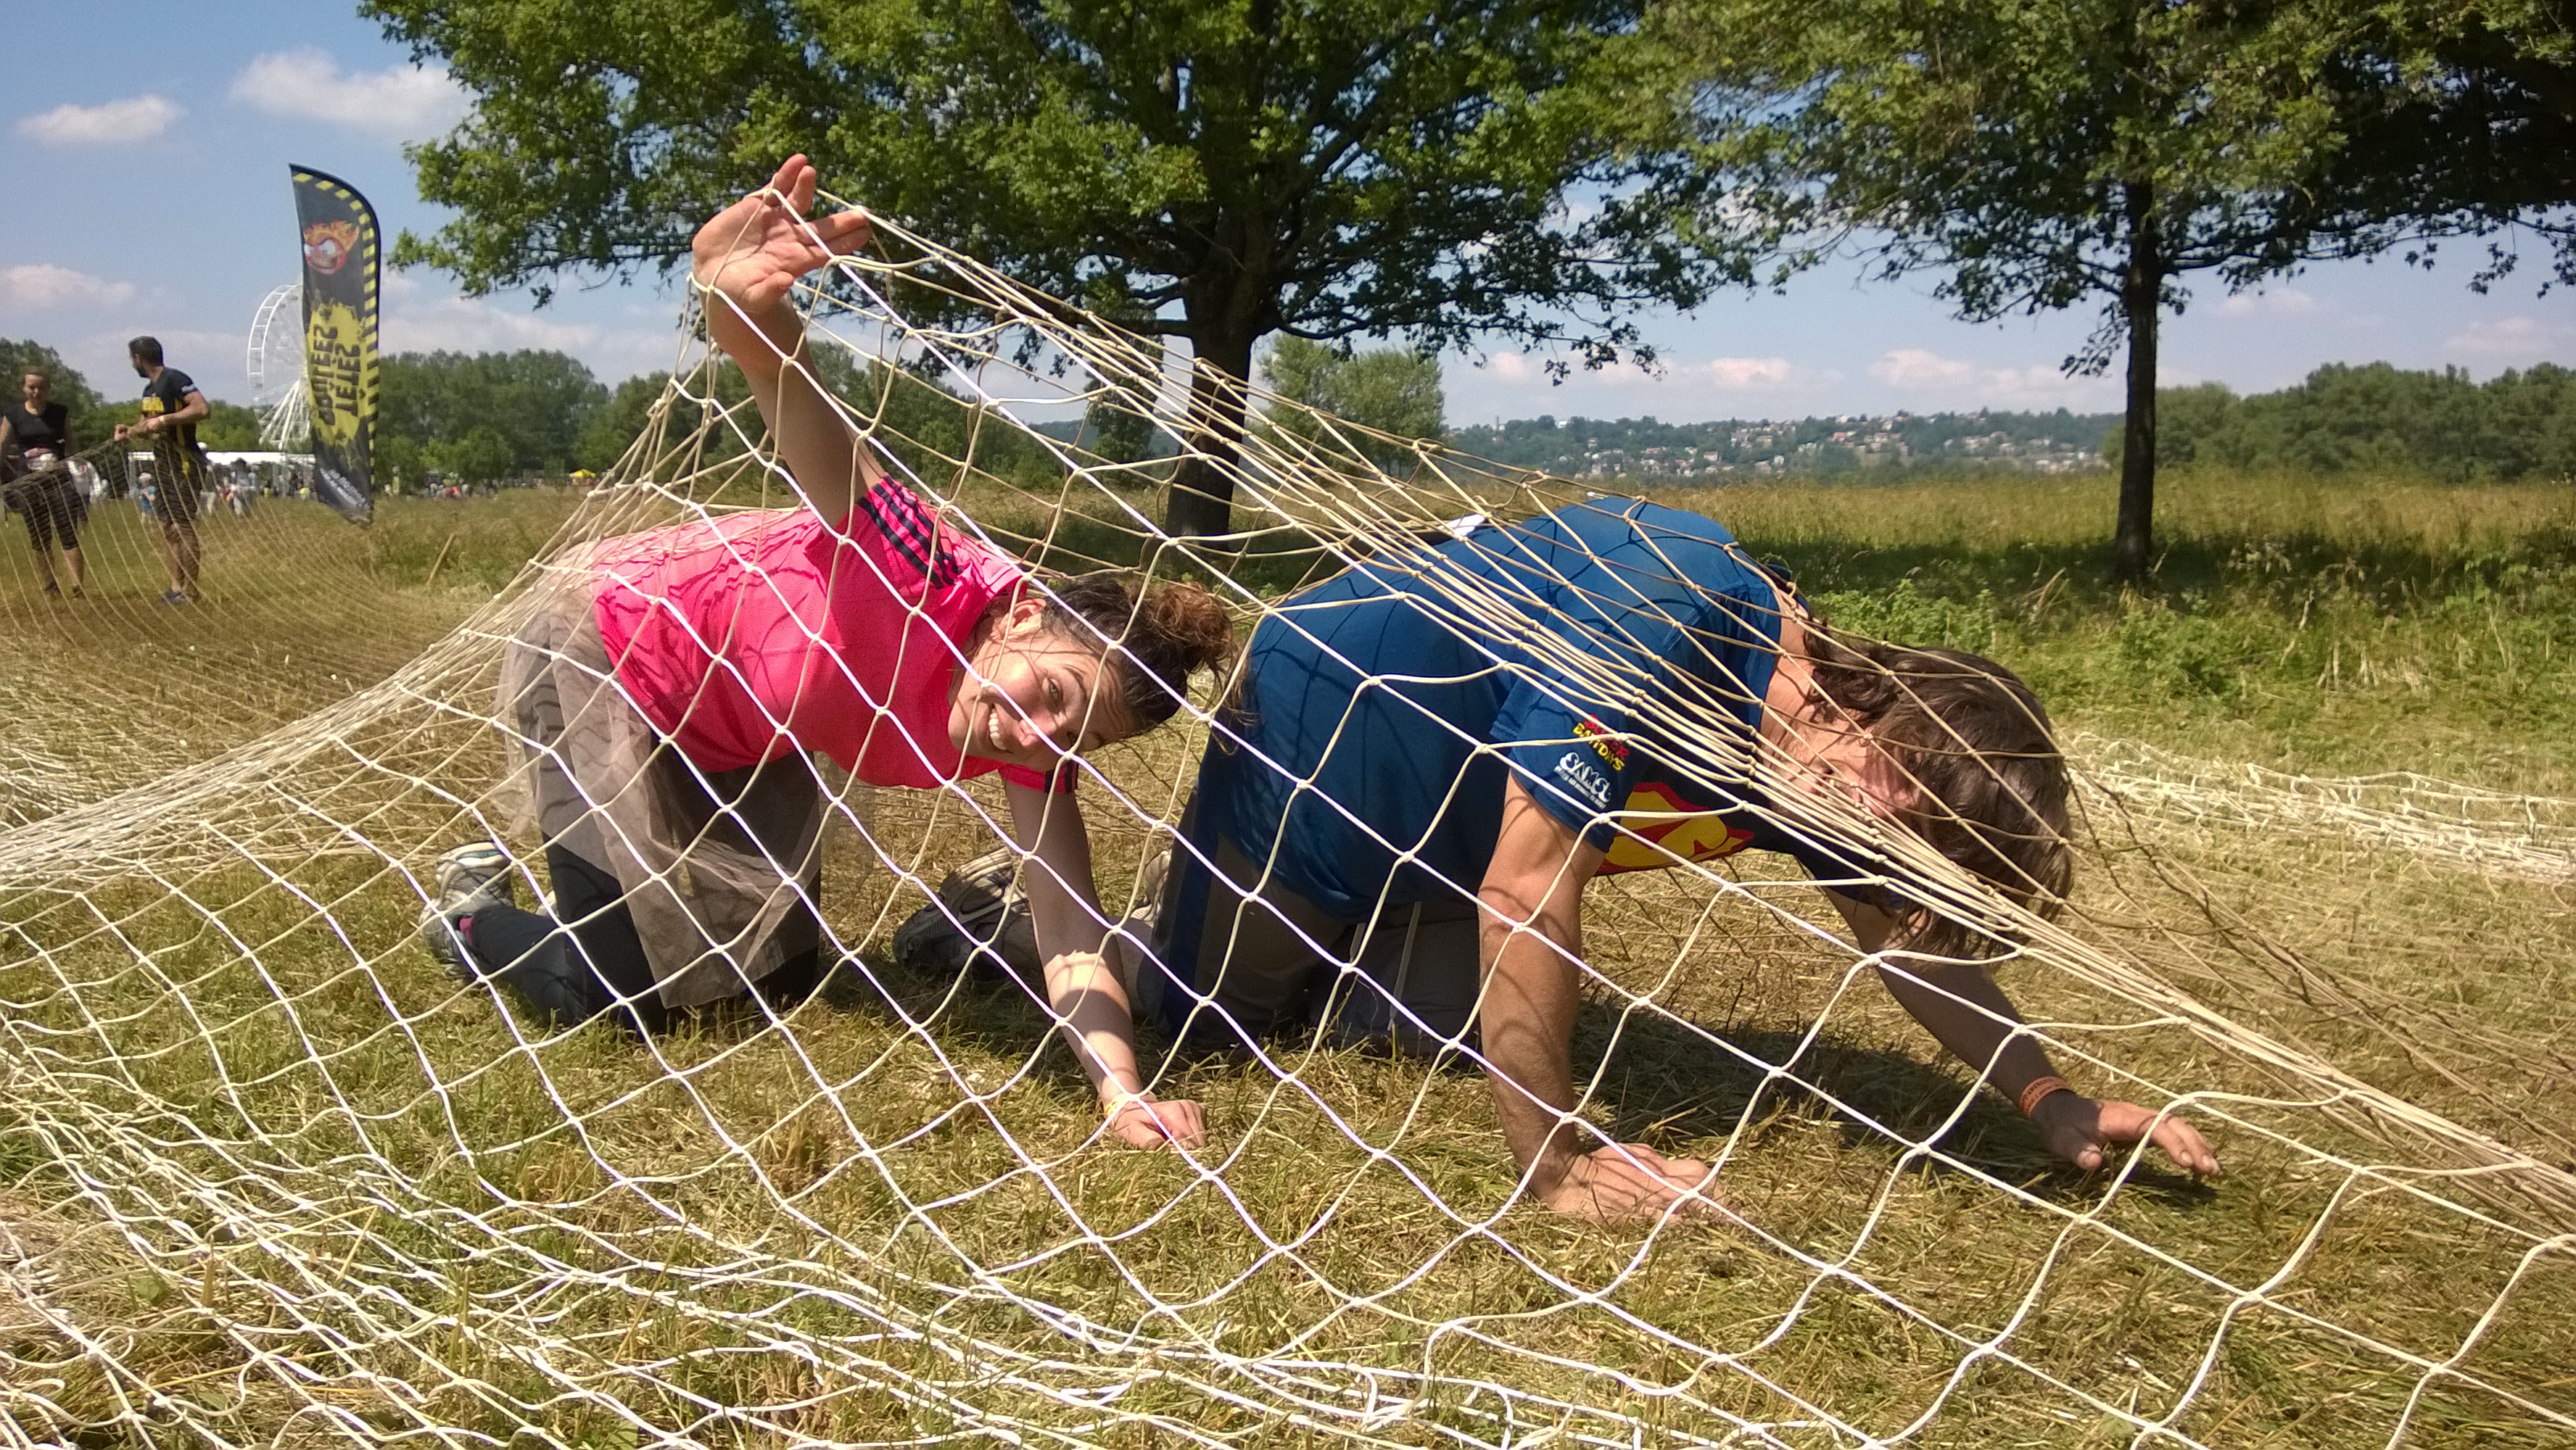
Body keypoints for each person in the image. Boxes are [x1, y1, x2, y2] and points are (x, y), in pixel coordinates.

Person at [978, 499, 2220, 1216]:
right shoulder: (1669, 615)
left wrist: (2043, 1096)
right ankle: (984, 917)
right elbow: (1530, 891)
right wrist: (1555, 1165)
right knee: (1201, 1016)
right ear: (1884, 721)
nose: (1880, 857)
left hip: (1468, 824)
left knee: (1422, 1033)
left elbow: (1900, 941)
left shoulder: (1815, 764)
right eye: (1899, 831)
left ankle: (1359, 954)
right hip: (1321, 746)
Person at [416, 157, 1231, 1151]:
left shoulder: (1032, 748)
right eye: (1052, 691)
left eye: (1075, 734)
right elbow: (816, 431)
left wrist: (1120, 1093)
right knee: (627, 992)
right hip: (611, 651)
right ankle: (468, 918)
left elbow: (1068, 930)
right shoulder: (923, 561)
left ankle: (611, 892)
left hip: (746, 730)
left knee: (776, 977)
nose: (1038, 730)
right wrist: (750, 316)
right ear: (1022, 619)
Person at [112, 336, 207, 605]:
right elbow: (147, 424)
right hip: (163, 466)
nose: (133, 364)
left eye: (133, 359)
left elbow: (202, 408)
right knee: (168, 528)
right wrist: (128, 431)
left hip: (185, 464)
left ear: (139, 358)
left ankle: (190, 591)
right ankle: (175, 588)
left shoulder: (175, 379)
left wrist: (166, 419)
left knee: (182, 526)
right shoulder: (148, 391)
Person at [0, 369, 86, 597]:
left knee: (67, 532)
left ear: (48, 388)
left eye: (42, 388)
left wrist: (79, 464)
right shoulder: (13, 414)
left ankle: (78, 589)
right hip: (28, 482)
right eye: (32, 387)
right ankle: (50, 586)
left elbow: (72, 442)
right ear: (24, 388)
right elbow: (2, 447)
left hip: (59, 480)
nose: (37, 392)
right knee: (39, 535)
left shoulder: (59, 413)